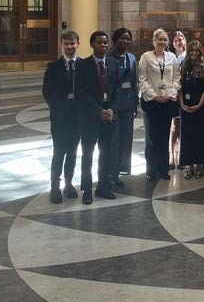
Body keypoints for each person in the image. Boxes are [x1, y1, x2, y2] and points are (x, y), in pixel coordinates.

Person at [77, 31, 120, 204]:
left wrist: (112, 109)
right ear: (92, 44)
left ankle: (103, 186)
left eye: (105, 43)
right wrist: (97, 110)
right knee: (88, 154)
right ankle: (87, 189)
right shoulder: (83, 65)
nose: (103, 45)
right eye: (99, 42)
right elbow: (81, 92)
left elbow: (117, 89)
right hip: (90, 116)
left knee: (106, 153)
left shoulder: (113, 63)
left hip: (108, 115)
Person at [42, 30, 83, 204]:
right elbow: (47, 92)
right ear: (61, 45)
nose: (69, 47)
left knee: (73, 152)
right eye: (66, 44)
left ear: (77, 44)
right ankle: (54, 186)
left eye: (72, 43)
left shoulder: (84, 65)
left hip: (77, 117)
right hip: (60, 118)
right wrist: (57, 108)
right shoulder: (53, 67)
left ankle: (68, 183)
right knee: (59, 152)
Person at [138, 28, 181, 182]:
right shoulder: (146, 57)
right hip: (151, 102)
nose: (162, 42)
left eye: (164, 39)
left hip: (167, 101)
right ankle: (151, 169)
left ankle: (163, 169)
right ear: (154, 41)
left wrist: (171, 94)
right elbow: (142, 80)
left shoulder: (172, 57)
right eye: (159, 39)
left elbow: (176, 77)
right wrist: (154, 95)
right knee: (151, 137)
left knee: (164, 136)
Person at [108, 27, 139, 187]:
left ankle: (121, 170)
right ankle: (110, 172)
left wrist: (136, 104)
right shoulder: (107, 57)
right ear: (115, 39)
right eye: (122, 38)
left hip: (128, 103)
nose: (125, 41)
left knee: (126, 138)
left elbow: (134, 82)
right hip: (113, 104)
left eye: (128, 39)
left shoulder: (132, 58)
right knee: (113, 140)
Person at [179, 40, 204, 179]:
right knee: (187, 137)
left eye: (196, 51)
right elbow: (179, 87)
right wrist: (181, 103)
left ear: (200, 52)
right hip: (186, 106)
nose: (193, 53)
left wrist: (199, 104)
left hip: (200, 107)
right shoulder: (184, 66)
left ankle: (199, 166)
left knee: (199, 136)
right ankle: (189, 166)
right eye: (191, 50)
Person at [169, 31, 187, 169]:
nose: (178, 42)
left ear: (184, 41)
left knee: (184, 126)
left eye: (180, 40)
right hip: (172, 94)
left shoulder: (188, 57)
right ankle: (171, 155)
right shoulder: (169, 57)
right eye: (175, 40)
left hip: (186, 94)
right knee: (174, 126)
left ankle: (182, 154)